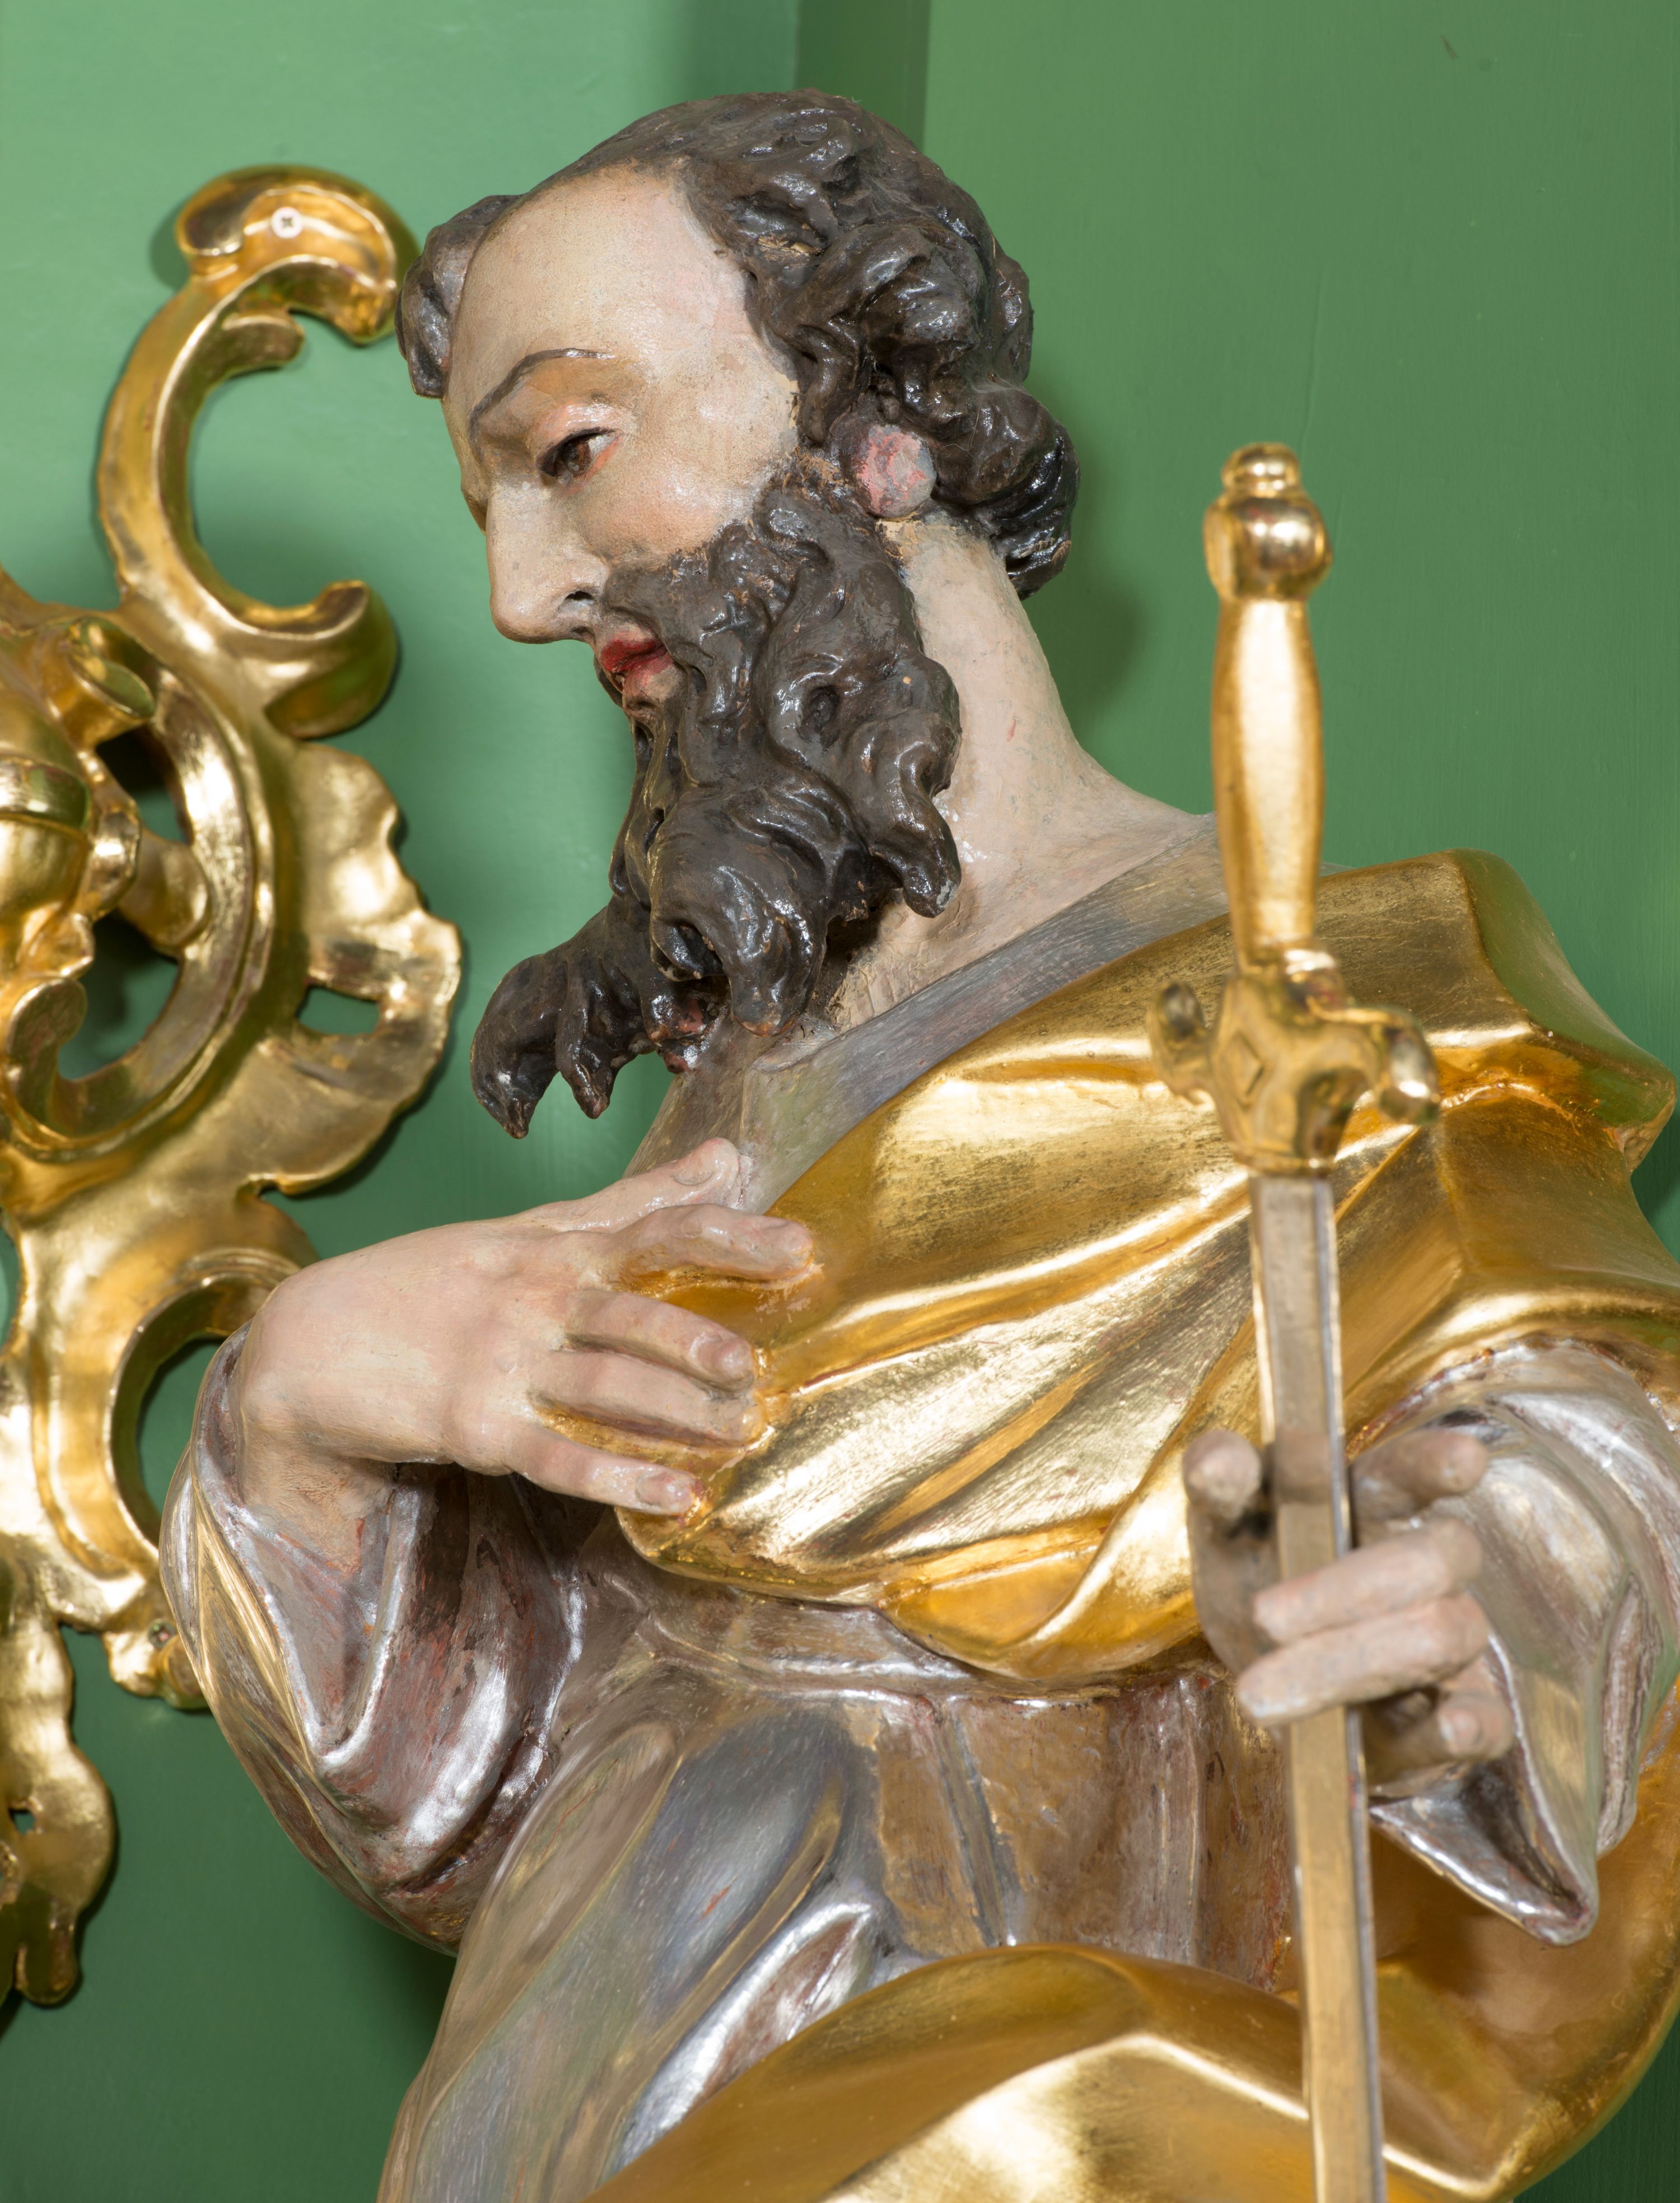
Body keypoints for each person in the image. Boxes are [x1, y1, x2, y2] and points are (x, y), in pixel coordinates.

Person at [161, 92, 1680, 2203]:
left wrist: (1463, 1614)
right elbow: (496, 1800)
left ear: (879, 425)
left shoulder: (1317, 1001)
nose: (522, 594)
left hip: (994, 2116)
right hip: (579, 2106)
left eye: (573, 449)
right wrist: (304, 1405)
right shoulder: (737, 1070)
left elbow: (1574, 1454)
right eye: (491, 505)